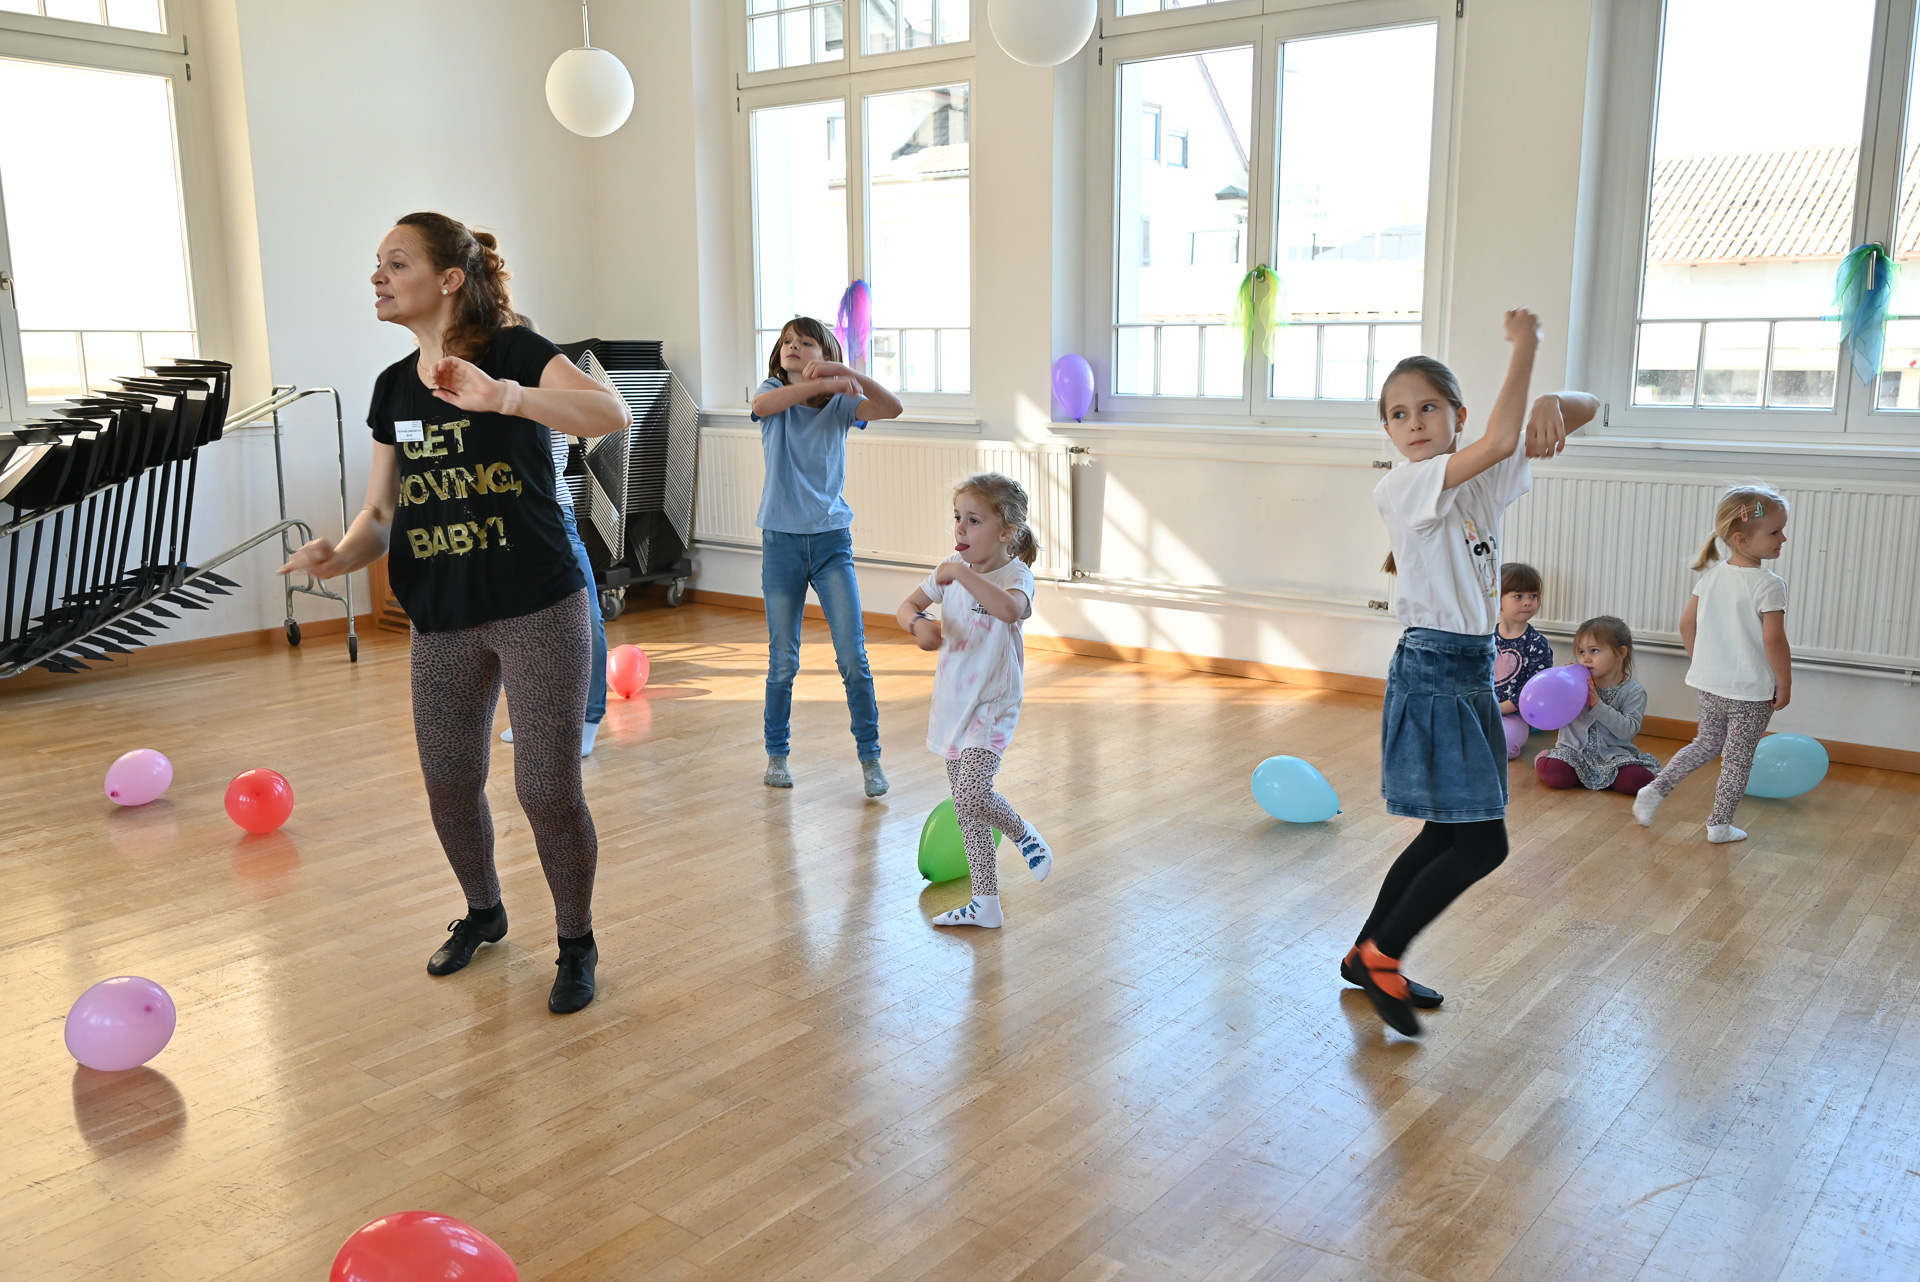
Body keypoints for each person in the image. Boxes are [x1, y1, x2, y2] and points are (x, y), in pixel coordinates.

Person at [281, 212, 631, 1014]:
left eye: (396, 263)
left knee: (546, 788)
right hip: (441, 616)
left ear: (448, 278)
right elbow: (382, 513)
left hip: (536, 603)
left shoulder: (512, 351)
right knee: (449, 782)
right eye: (377, 263)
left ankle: (576, 941)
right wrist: (340, 555)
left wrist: (506, 397)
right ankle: (484, 911)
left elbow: (612, 414)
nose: (378, 277)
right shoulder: (391, 388)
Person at [1343, 313, 1597, 1037]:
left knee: (1445, 832)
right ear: (1388, 432)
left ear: (1456, 414)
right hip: (1434, 671)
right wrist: (1527, 348)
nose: (1414, 423)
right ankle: (1383, 953)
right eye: (1399, 414)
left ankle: (1363, 954)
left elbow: (1588, 409)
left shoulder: (1477, 485)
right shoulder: (1404, 487)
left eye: (1428, 408)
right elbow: (1501, 439)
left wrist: (1552, 401)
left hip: (1468, 670)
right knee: (1483, 843)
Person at [751, 318, 904, 796]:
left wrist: (845, 374)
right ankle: (777, 755)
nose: (793, 347)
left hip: (832, 542)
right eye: (787, 342)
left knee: (853, 658)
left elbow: (893, 407)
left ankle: (871, 759)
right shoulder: (773, 393)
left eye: (805, 342)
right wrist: (820, 384)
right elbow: (762, 406)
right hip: (781, 542)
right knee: (783, 660)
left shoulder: (841, 404)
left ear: (826, 353)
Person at [895, 473, 1054, 928]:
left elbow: (1010, 610)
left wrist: (961, 574)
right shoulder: (950, 567)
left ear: (1006, 532)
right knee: (967, 809)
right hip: (953, 704)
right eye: (957, 518)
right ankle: (985, 903)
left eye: (974, 520)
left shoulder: (1015, 575)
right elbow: (906, 607)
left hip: (993, 703)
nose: (960, 528)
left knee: (971, 794)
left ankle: (1023, 834)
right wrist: (918, 625)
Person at [1632, 485, 1792, 843]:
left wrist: (1703, 662)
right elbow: (1774, 640)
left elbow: (1686, 623)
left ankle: (1654, 790)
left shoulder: (1712, 576)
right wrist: (1785, 682)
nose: (1783, 538)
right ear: (1741, 539)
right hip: (1750, 692)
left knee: (1705, 744)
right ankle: (1719, 825)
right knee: (1737, 760)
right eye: (1775, 532)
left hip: (1711, 685)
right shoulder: (1769, 585)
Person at [502, 353, 610, 757]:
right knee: (516, 627)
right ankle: (529, 715)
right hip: (506, 524)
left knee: (587, 617)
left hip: (553, 518)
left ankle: (588, 717)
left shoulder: (544, 395)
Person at [1534, 615, 1660, 794]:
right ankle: (1544, 757)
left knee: (1637, 780)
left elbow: (1628, 731)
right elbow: (1553, 714)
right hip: (1573, 753)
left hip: (1614, 756)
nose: (1585, 658)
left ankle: (1607, 776)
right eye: (1582, 652)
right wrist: (1561, 686)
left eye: (1594, 651)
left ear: (1621, 653)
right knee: (1555, 774)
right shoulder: (1574, 682)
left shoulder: (1634, 691)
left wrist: (1597, 705)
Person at [1493, 562, 1553, 759]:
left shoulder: (1537, 643)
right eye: (1518, 596)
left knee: (1505, 741)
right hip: (1481, 709)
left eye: (1533, 596)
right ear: (1498, 598)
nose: (1528, 602)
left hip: (1514, 717)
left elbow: (1535, 688)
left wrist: (1500, 709)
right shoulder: (1485, 638)